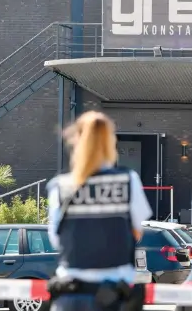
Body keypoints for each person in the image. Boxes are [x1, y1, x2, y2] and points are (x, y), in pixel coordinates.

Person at [46, 110, 153, 311]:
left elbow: (56, 238)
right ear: (110, 142)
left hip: (71, 295)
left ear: (75, 141)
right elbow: (137, 231)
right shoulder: (127, 180)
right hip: (114, 296)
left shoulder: (60, 186)